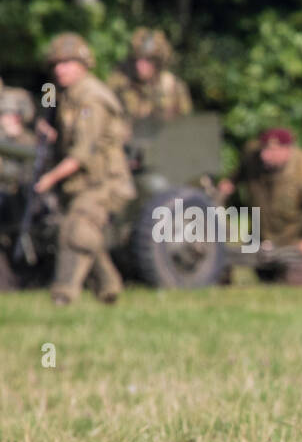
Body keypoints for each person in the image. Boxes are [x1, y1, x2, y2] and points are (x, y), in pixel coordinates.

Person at [34, 34, 135, 306]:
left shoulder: (92, 98)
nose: (59, 69)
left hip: (104, 182)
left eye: (67, 63)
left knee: (75, 228)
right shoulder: (67, 96)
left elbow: (82, 153)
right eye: (56, 64)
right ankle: (109, 285)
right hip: (83, 182)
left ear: (83, 64)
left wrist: (48, 179)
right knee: (87, 234)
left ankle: (63, 295)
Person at [217, 128, 302, 254]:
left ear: (287, 150)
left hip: (295, 244)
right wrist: (230, 183)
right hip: (262, 238)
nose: (264, 155)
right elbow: (238, 173)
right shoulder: (253, 158)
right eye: (263, 148)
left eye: (272, 150)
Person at [106, 28, 193, 122]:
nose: (140, 65)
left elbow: (185, 119)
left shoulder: (173, 86)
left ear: (158, 63)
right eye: (138, 59)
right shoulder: (120, 81)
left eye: (148, 60)